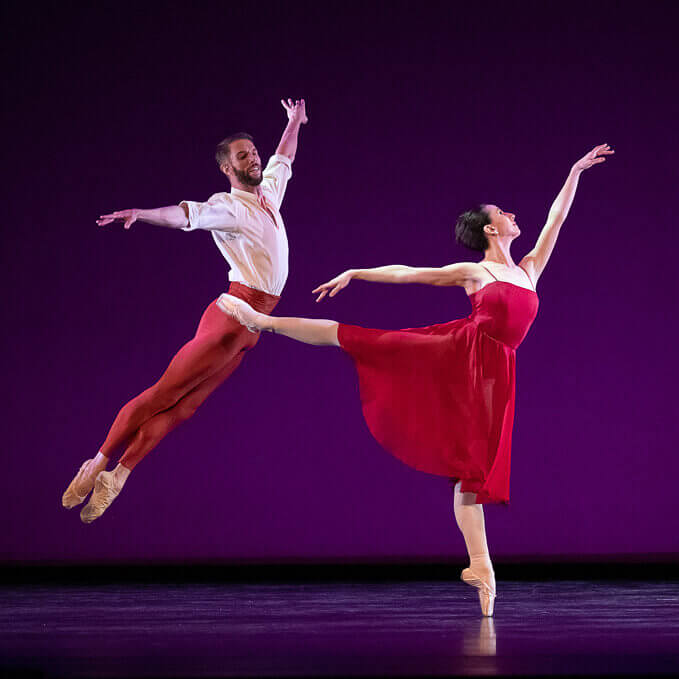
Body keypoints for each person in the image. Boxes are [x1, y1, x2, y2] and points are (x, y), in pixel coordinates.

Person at [217, 144, 614, 616]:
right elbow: (410, 274)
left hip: (496, 377)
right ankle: (263, 323)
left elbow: (556, 221)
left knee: (473, 472)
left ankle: (481, 569)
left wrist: (573, 172)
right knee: (366, 341)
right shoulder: (477, 271)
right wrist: (357, 273)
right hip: (457, 353)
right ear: (490, 228)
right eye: (503, 212)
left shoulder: (528, 269)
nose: (512, 214)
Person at [62, 99, 309, 523]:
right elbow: (184, 216)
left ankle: (117, 479)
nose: (253, 158)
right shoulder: (228, 207)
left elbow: (284, 156)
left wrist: (294, 122)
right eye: (242, 156)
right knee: (163, 394)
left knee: (185, 409)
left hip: (253, 328)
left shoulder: (269, 193)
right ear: (228, 169)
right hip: (232, 317)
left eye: (253, 152)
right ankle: (95, 465)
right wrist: (142, 214)